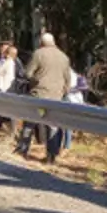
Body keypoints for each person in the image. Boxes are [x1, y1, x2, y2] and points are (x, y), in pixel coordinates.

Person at [20, 32, 72, 163]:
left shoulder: (38, 54)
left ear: (41, 43)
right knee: (53, 125)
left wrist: (34, 80)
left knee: (30, 121)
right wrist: (63, 92)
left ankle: (23, 150)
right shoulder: (64, 57)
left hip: (39, 95)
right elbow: (68, 79)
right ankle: (51, 157)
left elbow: (28, 73)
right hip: (56, 97)